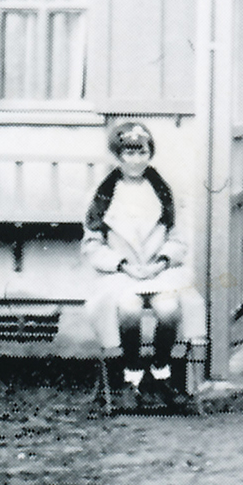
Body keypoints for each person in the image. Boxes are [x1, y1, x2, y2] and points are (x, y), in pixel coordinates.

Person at [82, 121, 205, 413]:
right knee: (129, 309)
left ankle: (162, 374)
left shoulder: (163, 190)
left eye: (142, 153)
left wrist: (161, 261)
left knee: (168, 309)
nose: (135, 160)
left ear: (150, 154)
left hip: (159, 271)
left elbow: (178, 238)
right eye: (128, 153)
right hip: (120, 274)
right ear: (117, 155)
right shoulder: (104, 193)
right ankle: (132, 377)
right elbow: (92, 244)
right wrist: (122, 264)